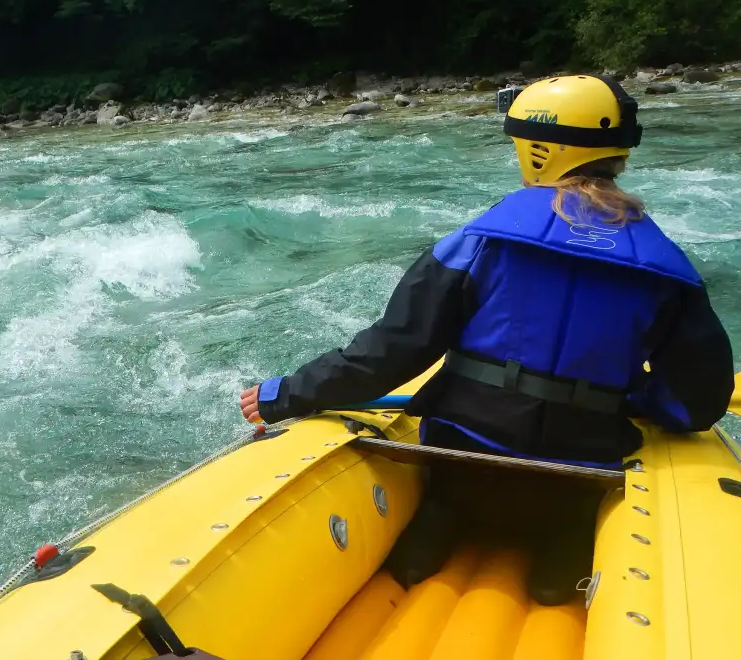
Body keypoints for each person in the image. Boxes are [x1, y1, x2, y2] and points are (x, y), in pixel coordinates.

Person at [238, 74, 734, 605]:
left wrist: (285, 394)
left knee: (421, 549)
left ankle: (430, 540)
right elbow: (698, 401)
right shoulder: (667, 270)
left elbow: (393, 349)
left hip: (465, 461)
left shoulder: (479, 242)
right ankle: (554, 574)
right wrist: (633, 399)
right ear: (617, 154)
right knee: (555, 584)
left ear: (538, 148)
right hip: (575, 475)